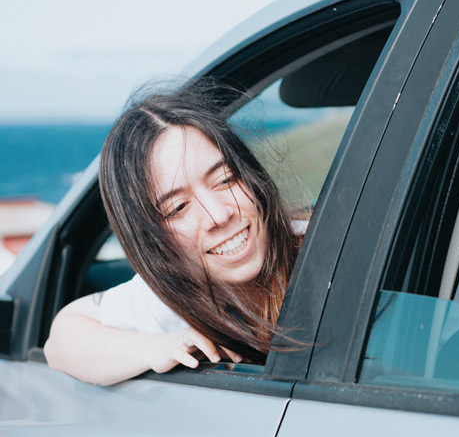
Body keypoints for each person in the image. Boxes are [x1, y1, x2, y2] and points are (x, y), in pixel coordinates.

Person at [45, 81, 303, 385]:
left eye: (225, 179)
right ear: (150, 237)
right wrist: (162, 346)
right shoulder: (174, 298)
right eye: (178, 207)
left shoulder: (326, 246)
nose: (219, 215)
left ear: (251, 176)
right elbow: (61, 341)